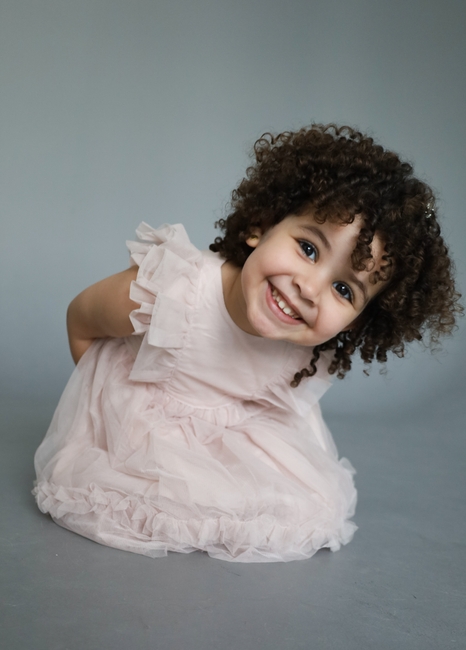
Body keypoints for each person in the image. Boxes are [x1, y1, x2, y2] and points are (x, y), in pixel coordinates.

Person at [33, 124, 462, 562]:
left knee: (296, 508)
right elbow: (80, 320)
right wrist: (100, 415)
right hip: (145, 422)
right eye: (308, 249)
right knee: (127, 490)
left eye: (344, 290)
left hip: (231, 435)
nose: (309, 288)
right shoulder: (175, 291)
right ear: (262, 225)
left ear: (357, 322)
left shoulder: (307, 350)